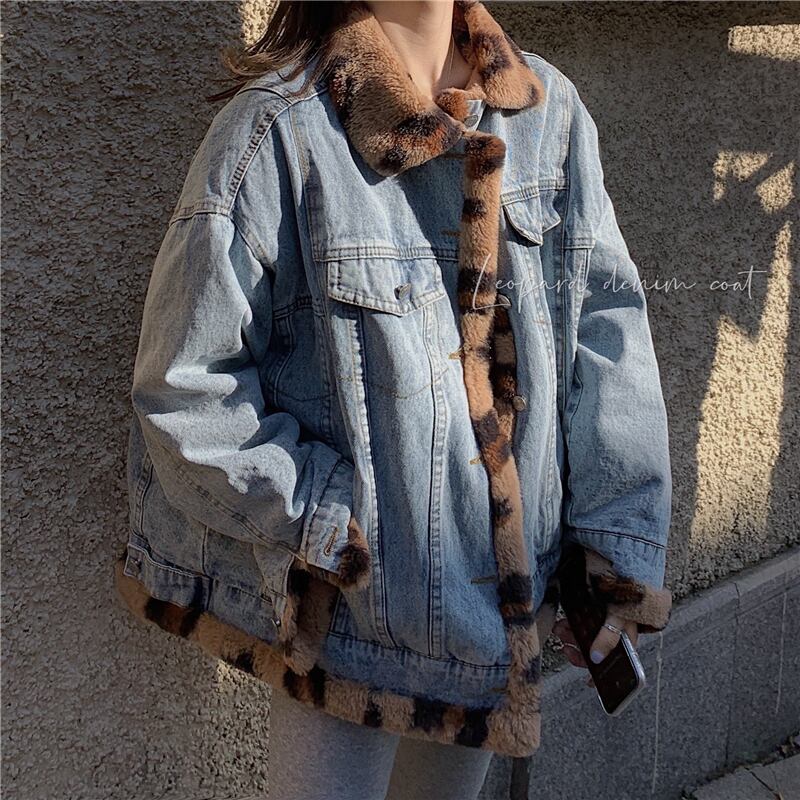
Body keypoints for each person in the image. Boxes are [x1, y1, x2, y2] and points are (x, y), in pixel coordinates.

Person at [114, 1, 674, 798]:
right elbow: (186, 386)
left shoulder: (548, 113)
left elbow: (607, 334)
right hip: (356, 621)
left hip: (497, 623)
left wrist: (614, 552)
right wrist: (332, 521)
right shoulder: (281, 131)